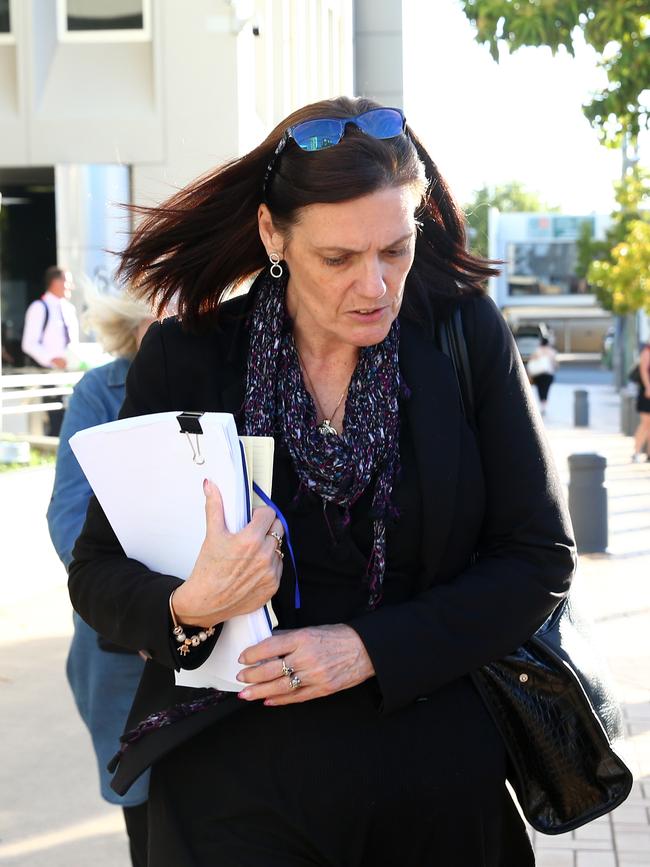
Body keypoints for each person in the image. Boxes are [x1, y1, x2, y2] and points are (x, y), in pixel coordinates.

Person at [68, 96, 576, 867]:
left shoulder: (464, 334)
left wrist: (366, 647)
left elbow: (539, 556)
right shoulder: (190, 357)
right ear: (274, 234)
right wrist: (189, 604)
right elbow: (97, 576)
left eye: (395, 251)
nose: (373, 286)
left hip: (436, 781)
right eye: (338, 258)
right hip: (233, 791)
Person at [47, 290, 154, 867]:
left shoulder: (234, 380)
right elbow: (69, 515)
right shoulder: (100, 393)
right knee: (146, 817)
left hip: (222, 648)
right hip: (118, 648)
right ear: (136, 330)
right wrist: (137, 610)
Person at [21, 266, 80, 435]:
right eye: (67, 281)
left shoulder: (69, 309)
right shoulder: (39, 307)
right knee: (57, 425)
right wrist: (52, 359)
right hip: (50, 375)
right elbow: (29, 343)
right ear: (55, 282)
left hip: (70, 375)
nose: (71, 286)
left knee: (72, 423)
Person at [527, 336, 558, 417]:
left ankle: (541, 404)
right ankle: (544, 406)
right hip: (548, 374)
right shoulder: (552, 351)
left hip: (538, 375)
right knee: (546, 390)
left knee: (540, 389)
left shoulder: (537, 350)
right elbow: (555, 364)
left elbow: (531, 363)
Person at [632, 341, 650, 462]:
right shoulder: (647, 351)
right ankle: (636, 452)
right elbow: (643, 370)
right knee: (645, 424)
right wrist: (648, 387)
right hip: (646, 393)